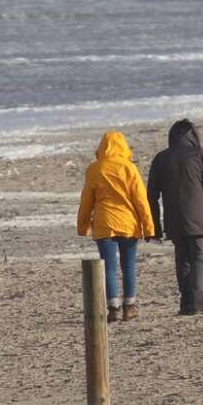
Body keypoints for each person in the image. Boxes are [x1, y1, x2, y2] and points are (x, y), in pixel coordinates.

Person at [146, 119, 203, 315]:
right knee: (200, 260)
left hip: (174, 219)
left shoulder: (161, 159)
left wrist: (154, 226)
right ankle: (198, 304)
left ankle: (187, 304)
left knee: (183, 260)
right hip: (199, 219)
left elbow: (151, 196)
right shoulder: (202, 155)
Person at [76, 131, 155, 323]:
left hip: (104, 224)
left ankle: (113, 309)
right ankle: (129, 307)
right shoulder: (129, 168)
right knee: (128, 265)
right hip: (128, 223)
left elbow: (86, 200)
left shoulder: (94, 169)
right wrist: (149, 227)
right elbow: (141, 200)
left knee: (108, 268)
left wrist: (83, 225)